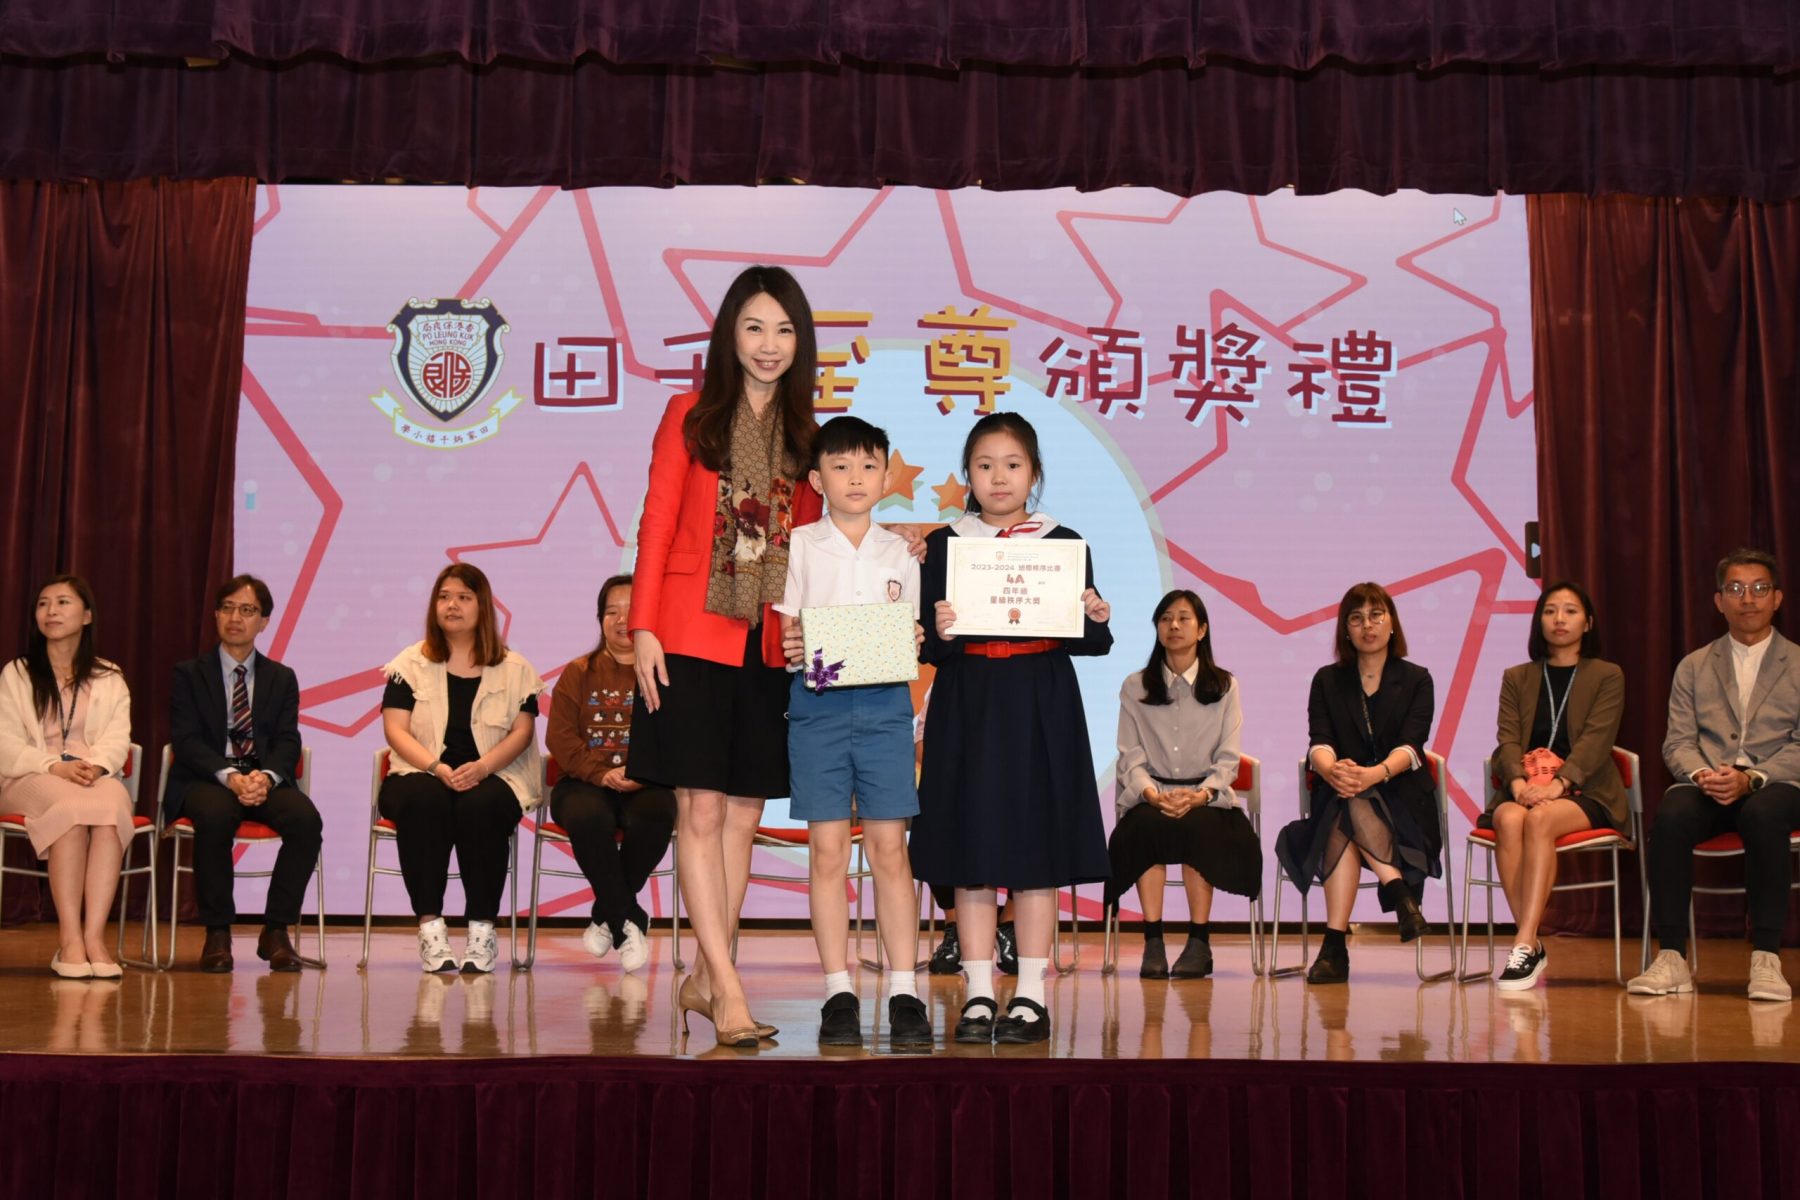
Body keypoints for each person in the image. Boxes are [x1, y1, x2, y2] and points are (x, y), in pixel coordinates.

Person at [626, 264, 823, 1048]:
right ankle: (730, 989)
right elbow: (657, 520)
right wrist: (642, 624)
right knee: (700, 810)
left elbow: (816, 545)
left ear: (801, 341)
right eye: (754, 327)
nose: (769, 344)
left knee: (743, 812)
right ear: (729, 336)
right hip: (687, 632)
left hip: (766, 643)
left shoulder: (808, 435)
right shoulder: (690, 415)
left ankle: (707, 980)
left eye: (784, 329)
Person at [911, 411, 1114, 1044]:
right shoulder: (944, 545)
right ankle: (977, 993)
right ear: (967, 474)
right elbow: (928, 647)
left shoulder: (1063, 542)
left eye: (1012, 464)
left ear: (1034, 472)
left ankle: (1029, 992)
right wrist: (939, 630)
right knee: (970, 851)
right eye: (984, 465)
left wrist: (1094, 615)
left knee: (1035, 851)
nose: (998, 477)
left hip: (1039, 700)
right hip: (968, 701)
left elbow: (1092, 641)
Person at [775, 415, 930, 1047]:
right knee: (829, 851)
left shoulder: (903, 550)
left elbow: (911, 630)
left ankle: (904, 991)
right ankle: (838, 990)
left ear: (887, 477)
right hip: (818, 708)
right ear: (817, 479)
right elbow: (785, 632)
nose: (856, 477)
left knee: (891, 850)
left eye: (869, 466)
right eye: (840, 467)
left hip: (886, 708)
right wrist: (791, 643)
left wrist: (912, 636)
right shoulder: (797, 545)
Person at [1631, 548, 1800, 1002]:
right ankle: (1671, 957)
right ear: (1718, 601)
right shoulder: (1695, 665)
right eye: (1736, 589)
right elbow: (1677, 742)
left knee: (1764, 813)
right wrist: (1704, 773)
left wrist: (1754, 777)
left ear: (1777, 598)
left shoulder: (1798, 663)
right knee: (1672, 814)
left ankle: (1766, 958)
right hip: (1710, 782)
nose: (1748, 599)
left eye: (1760, 588)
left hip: (1776, 784)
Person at [379, 563, 544, 974]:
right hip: (420, 773)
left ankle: (482, 930)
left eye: (464, 597)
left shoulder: (515, 668)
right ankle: (430, 928)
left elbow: (522, 732)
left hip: (494, 774)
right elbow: (395, 729)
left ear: (482, 606)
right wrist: (435, 766)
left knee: (481, 806)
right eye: (444, 597)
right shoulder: (409, 663)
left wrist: (483, 768)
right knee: (424, 800)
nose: (452, 605)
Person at [1275, 582, 1438, 984]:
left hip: (1402, 800)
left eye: (1376, 615)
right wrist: (1330, 769)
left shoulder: (1417, 679)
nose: (1368, 625)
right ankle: (1399, 893)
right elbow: (1319, 741)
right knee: (1345, 803)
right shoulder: (1327, 680)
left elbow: (1412, 746)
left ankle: (1334, 947)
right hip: (1341, 790)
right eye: (1356, 618)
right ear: (1345, 630)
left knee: (1346, 805)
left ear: (1392, 623)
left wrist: (1373, 773)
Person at [166, 575, 324, 973]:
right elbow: (186, 740)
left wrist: (265, 777)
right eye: (228, 608)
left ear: (264, 621)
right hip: (207, 778)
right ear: (216, 615)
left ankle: (276, 930)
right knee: (216, 814)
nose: (235, 617)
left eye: (247, 610)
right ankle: (218, 932)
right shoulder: (189, 673)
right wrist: (228, 776)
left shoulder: (281, 677)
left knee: (306, 820)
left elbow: (288, 740)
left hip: (260, 778)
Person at [1107, 589, 1262, 980]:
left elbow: (1229, 758)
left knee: (1199, 829)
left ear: (1202, 629)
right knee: (1145, 828)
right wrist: (1151, 794)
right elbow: (1130, 756)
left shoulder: (1225, 686)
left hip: (1207, 798)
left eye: (1183, 618)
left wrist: (1201, 794)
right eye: (1165, 619)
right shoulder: (1135, 686)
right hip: (1152, 795)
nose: (1173, 626)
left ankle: (1199, 941)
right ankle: (1153, 940)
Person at [1481, 580, 1625, 990]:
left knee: (1539, 820)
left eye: (1570, 611)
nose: (1559, 619)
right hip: (1525, 788)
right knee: (1508, 819)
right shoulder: (1517, 676)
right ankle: (1530, 942)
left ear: (1588, 623)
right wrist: (1516, 783)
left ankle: (1524, 941)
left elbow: (1597, 740)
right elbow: (1507, 738)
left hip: (1586, 790)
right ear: (1539, 621)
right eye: (1550, 611)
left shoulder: (1607, 675)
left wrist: (1558, 785)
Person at [0, 575, 134, 978]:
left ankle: (94, 938)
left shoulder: (109, 676)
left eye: (62, 602)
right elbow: (6, 742)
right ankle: (69, 939)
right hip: (28, 776)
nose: (51, 611)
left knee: (111, 806)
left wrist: (97, 766)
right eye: (43, 603)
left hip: (90, 775)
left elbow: (118, 738)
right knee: (72, 810)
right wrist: (53, 766)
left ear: (87, 616)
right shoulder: (18, 673)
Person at [545, 574, 676, 973]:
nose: (621, 620)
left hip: (646, 782)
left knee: (657, 814)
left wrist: (643, 772)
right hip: (583, 783)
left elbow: (678, 735)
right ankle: (627, 920)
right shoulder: (578, 672)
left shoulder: (666, 671)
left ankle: (608, 914)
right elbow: (560, 738)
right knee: (587, 815)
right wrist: (601, 774)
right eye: (611, 612)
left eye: (631, 611)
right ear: (599, 619)